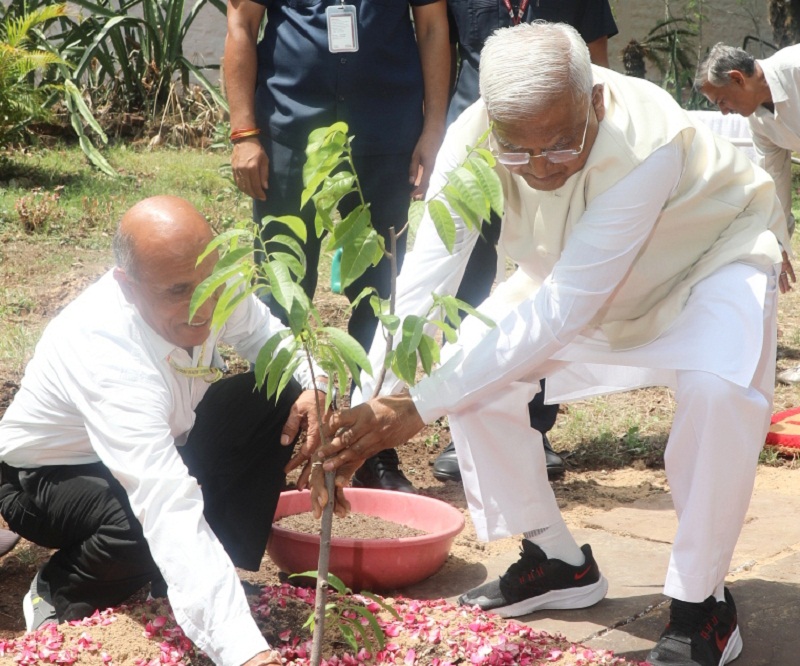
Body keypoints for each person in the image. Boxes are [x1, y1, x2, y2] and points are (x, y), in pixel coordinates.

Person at [314, 22, 789, 666]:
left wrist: (417, 406)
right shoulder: (476, 131)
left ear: (593, 101)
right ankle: (556, 560)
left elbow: (565, 312)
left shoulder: (648, 138)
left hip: (709, 260)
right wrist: (365, 409)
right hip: (572, 272)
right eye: (518, 152)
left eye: (561, 146)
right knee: (473, 377)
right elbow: (428, 276)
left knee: (719, 392)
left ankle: (702, 604)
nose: (539, 169)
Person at [0, 196, 330, 666]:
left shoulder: (212, 285)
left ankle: (191, 575)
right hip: (46, 476)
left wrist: (317, 387)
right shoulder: (105, 346)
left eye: (212, 283)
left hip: (163, 438)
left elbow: (274, 343)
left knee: (280, 393)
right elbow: (165, 500)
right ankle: (60, 586)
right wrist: (244, 651)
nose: (204, 305)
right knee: (137, 527)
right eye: (178, 291)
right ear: (128, 287)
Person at [224, 0, 450, 493]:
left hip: (385, 128)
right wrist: (244, 132)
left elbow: (432, 26)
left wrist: (434, 129)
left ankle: (371, 448)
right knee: (282, 287)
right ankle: (280, 441)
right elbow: (241, 22)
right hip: (289, 127)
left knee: (380, 290)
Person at [433, 0, 619, 482]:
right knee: (467, 289)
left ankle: (535, 427)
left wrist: (577, 139)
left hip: (560, 142)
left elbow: (598, 62)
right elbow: (438, 47)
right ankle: (469, 427)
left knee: (549, 275)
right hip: (491, 138)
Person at [696, 42, 800, 383]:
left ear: (738, 79)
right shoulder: (758, 122)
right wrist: (778, 240)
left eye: (722, 100)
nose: (723, 112)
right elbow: (775, 180)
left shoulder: (795, 68)